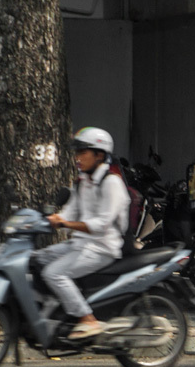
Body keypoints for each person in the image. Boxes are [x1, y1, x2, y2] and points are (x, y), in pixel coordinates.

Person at [34, 127, 130, 340]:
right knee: (37, 258)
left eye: (83, 152)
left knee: (54, 273)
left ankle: (88, 319)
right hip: (81, 244)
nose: (77, 157)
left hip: (103, 247)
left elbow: (102, 224)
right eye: (76, 152)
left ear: (99, 155)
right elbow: (71, 211)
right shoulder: (82, 181)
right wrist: (53, 219)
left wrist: (66, 223)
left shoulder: (112, 183)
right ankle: (55, 303)